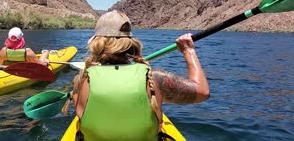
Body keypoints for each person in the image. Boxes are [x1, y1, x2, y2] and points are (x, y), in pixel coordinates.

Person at [64, 10, 210, 140]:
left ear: (97, 44)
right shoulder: (155, 78)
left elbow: (82, 113)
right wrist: (188, 51)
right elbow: (202, 92)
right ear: (131, 44)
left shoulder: (83, 79)